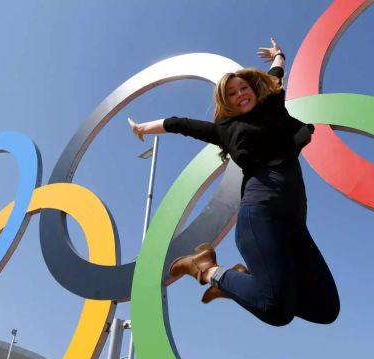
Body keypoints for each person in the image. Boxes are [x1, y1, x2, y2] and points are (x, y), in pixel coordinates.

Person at [128, 38, 339, 327]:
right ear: (226, 101)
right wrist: (142, 127)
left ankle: (239, 282)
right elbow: (180, 125)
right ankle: (208, 269)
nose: (241, 94)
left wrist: (279, 55)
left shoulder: (273, 103)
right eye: (232, 93)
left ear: (253, 89)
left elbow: (276, 73)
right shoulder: (225, 130)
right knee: (276, 311)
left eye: (244, 88)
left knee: (325, 309)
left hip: (293, 222)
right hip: (261, 214)